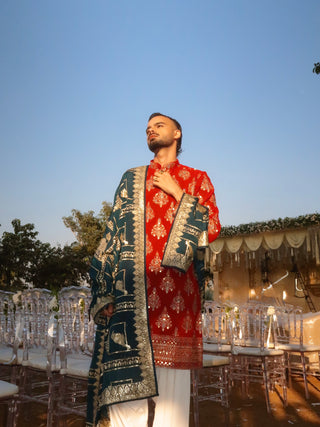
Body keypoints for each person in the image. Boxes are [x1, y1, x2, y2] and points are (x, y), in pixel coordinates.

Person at [86, 113, 221, 427]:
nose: (150, 129)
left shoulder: (197, 179)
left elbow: (210, 229)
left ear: (177, 133)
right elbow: (113, 234)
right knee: (123, 397)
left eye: (159, 125)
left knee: (172, 406)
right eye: (148, 127)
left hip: (176, 301)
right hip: (129, 301)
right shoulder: (131, 178)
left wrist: (178, 192)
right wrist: (104, 290)